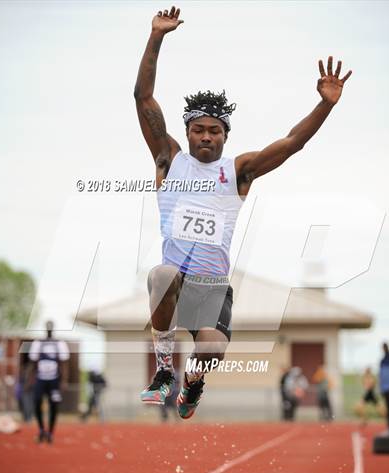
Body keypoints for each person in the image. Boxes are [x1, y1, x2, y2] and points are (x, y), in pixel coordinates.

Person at [135, 6, 352, 419]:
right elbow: (143, 98)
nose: (205, 136)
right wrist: (156, 38)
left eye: (214, 130)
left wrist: (324, 106)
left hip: (213, 286)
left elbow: (291, 144)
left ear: (225, 136)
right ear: (187, 132)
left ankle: (192, 385)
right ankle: (165, 370)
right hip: (176, 282)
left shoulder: (237, 171)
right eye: (198, 129)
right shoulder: (168, 160)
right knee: (161, 273)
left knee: (212, 350)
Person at [27, 321, 70, 443]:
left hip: (54, 380)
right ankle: (41, 429)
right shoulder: (38, 343)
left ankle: (50, 432)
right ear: (45, 329)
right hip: (40, 379)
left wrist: (64, 381)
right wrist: (30, 379)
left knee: (54, 406)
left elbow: (64, 363)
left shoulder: (59, 344)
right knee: (36, 403)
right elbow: (33, 363)